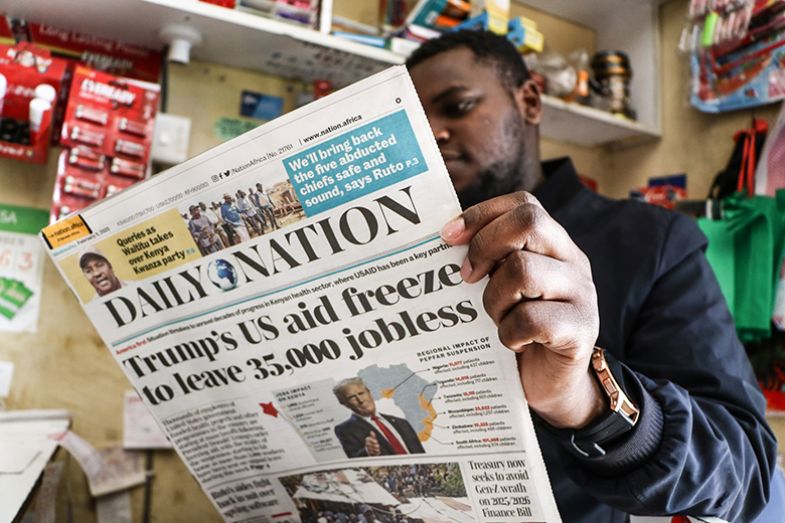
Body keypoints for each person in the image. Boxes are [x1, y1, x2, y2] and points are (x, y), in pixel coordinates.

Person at [406, 30, 781, 522]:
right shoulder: (410, 252)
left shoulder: (651, 241)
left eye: (456, 107)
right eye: (416, 126)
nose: (434, 134)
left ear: (530, 101)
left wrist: (584, 400)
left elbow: (745, 471)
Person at [333, 377, 425, 458]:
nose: (360, 400)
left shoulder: (402, 422)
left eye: (361, 393)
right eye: (352, 397)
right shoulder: (345, 430)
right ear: (344, 403)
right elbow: (355, 459)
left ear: (369, 393)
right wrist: (367, 452)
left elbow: (421, 454)